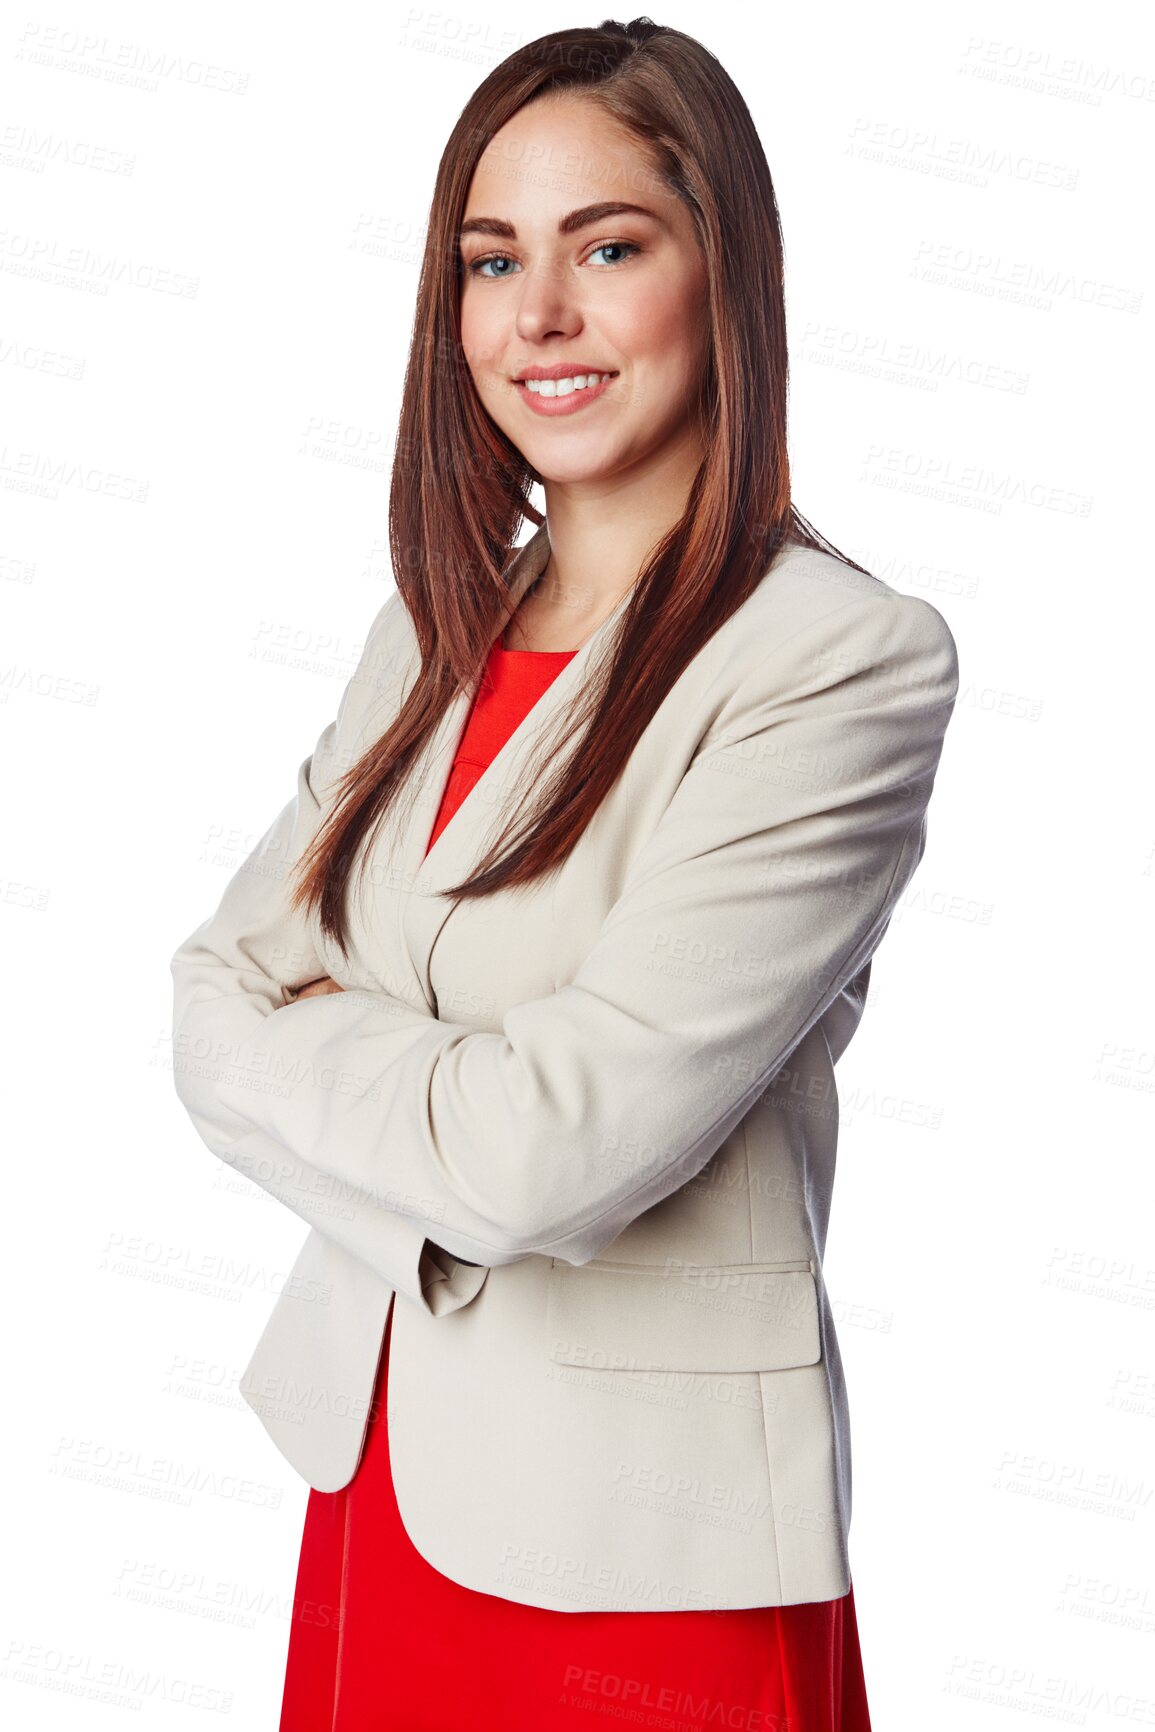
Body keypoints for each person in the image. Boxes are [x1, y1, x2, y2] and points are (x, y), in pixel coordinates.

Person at [169, 18, 960, 1730]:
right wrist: (447, 1123)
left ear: (723, 273)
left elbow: (551, 1156)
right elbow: (207, 1014)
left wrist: (355, 1068)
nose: (539, 317)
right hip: (375, 1490)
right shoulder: (435, 633)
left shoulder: (836, 663)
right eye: (490, 258)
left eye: (607, 246)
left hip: (636, 1561)